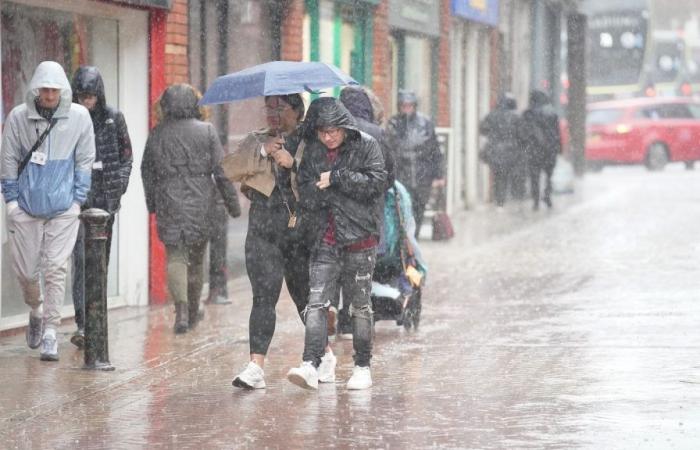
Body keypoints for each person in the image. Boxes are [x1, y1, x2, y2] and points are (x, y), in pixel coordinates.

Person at [287, 97, 386, 391]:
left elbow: (377, 183)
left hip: (359, 238)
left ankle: (362, 366)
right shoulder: (312, 151)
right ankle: (310, 363)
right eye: (322, 132)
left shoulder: (366, 144)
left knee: (360, 306)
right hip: (324, 238)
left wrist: (337, 178)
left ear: (344, 127)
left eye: (334, 131)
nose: (328, 137)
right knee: (316, 303)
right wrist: (322, 192)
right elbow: (304, 190)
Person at [0, 61, 95, 361]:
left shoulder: (79, 117)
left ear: (62, 90)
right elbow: (9, 157)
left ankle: (51, 331)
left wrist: (77, 199)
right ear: (36, 89)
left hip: (63, 207)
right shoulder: (18, 117)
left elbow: (85, 159)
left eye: (55, 89)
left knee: (55, 268)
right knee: (27, 270)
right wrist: (12, 201)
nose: (50, 95)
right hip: (26, 206)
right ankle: (36, 309)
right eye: (45, 89)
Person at [224, 94, 312, 390]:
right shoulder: (255, 139)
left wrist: (292, 163)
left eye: (280, 108)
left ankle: (321, 354)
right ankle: (255, 366)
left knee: (304, 296)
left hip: (298, 229)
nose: (273, 113)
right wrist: (262, 151)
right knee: (263, 296)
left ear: (297, 111)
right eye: (269, 107)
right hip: (263, 228)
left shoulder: (308, 139)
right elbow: (229, 169)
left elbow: (318, 180)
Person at [141, 84, 240, 334]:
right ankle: (193, 310)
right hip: (201, 202)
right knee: (196, 260)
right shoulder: (206, 131)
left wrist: (152, 202)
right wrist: (232, 204)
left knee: (175, 256)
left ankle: (181, 310)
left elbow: (147, 171)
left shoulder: (157, 134)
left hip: (168, 200)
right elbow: (222, 171)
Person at [69, 66, 133, 349]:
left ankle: (97, 318)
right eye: (82, 95)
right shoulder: (68, 119)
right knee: (81, 261)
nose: (87, 101)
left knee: (100, 262)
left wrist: (116, 188)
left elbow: (126, 156)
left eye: (91, 96)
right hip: (78, 201)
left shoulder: (113, 118)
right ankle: (83, 322)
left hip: (106, 201)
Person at [332, 85, 395, 338]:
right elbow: (390, 174)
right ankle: (352, 321)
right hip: (367, 213)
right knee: (359, 268)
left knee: (335, 263)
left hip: (335, 211)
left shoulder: (330, 130)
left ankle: (332, 309)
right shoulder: (378, 133)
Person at [386, 90, 444, 238]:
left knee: (419, 209)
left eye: (409, 106)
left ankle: (414, 238)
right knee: (404, 209)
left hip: (422, 175)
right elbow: (390, 150)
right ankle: (406, 240)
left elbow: (435, 151)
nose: (407, 109)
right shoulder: (393, 124)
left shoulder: (425, 123)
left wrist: (439, 175)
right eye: (404, 106)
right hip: (402, 175)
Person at [520, 90, 562, 210]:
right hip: (550, 149)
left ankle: (536, 200)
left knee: (534, 176)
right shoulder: (552, 113)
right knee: (549, 175)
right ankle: (547, 194)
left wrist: (524, 146)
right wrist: (559, 148)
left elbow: (523, 133)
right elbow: (557, 132)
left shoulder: (527, 114)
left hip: (534, 150)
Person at [479, 93, 520, 208]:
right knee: (504, 175)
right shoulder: (515, 117)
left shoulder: (492, 115)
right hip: (509, 150)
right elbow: (520, 134)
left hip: (494, 149)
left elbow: (483, 129)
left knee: (497, 174)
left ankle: (498, 198)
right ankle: (501, 200)